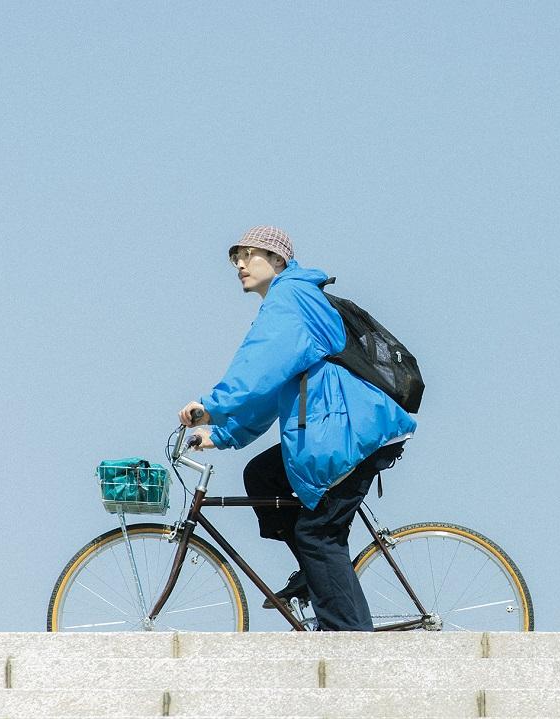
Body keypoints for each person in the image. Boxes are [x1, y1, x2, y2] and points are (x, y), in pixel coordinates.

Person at [178, 225, 416, 631]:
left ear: (277, 260)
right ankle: (314, 574)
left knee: (318, 536)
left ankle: (349, 641)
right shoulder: (289, 302)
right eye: (235, 257)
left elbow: (260, 367)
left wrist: (211, 407)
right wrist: (221, 433)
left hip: (352, 433)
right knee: (262, 474)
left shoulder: (291, 298)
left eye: (249, 254)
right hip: (334, 431)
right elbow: (272, 390)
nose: (239, 264)